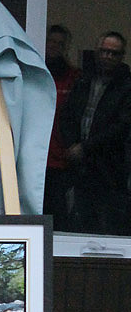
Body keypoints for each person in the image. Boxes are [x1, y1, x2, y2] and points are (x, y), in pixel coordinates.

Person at [59, 30, 131, 234]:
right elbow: (67, 115)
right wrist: (71, 145)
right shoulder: (83, 79)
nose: (107, 56)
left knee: (109, 223)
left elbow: (121, 126)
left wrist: (85, 147)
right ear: (96, 52)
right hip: (79, 166)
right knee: (78, 220)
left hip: (110, 166)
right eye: (104, 51)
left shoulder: (126, 86)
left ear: (121, 56)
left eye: (113, 53)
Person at [43, 25, 80, 231]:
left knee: (58, 214)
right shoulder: (34, 71)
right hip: (37, 156)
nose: (55, 47)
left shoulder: (75, 77)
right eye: (51, 41)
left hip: (62, 159)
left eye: (60, 43)